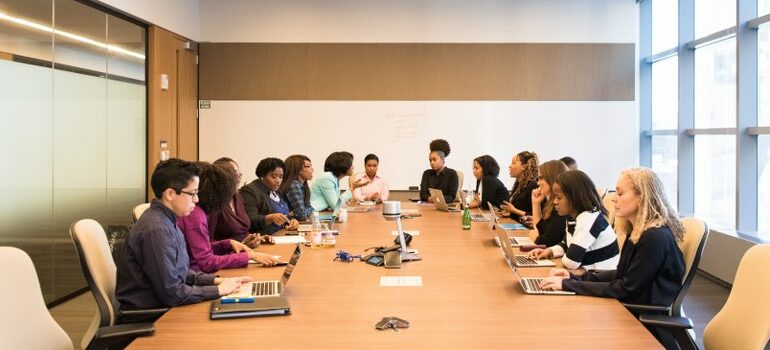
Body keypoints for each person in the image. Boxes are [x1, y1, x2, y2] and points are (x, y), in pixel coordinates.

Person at [537, 167, 685, 308]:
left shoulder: (654, 237)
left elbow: (626, 288)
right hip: (628, 307)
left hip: (639, 319)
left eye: (620, 194)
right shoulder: (638, 231)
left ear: (642, 197)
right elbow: (621, 275)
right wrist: (572, 278)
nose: (614, 198)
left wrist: (568, 285)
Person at [116, 159, 252, 308]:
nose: (197, 199)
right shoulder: (157, 230)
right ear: (169, 194)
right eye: (192, 194)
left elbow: (182, 272)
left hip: (165, 305)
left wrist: (217, 280)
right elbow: (172, 293)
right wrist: (219, 290)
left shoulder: (169, 220)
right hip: (152, 315)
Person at [177, 162, 279, 273]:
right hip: (198, 276)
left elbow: (201, 247)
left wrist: (227, 244)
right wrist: (249, 256)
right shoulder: (195, 215)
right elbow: (206, 262)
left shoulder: (199, 212)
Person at [527, 170, 619, 270]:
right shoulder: (573, 218)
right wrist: (549, 251)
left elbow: (571, 262)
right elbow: (566, 244)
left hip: (600, 280)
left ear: (575, 198)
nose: (555, 202)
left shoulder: (588, 219)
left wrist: (567, 255)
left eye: (559, 197)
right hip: (588, 276)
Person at [241, 157, 299, 234]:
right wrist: (268, 218)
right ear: (262, 175)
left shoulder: (276, 190)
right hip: (263, 238)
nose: (278, 181)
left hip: (282, 234)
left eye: (281, 177)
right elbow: (249, 220)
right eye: (274, 177)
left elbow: (284, 214)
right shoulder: (250, 191)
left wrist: (292, 220)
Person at [528, 160, 570, 247]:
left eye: (541, 178)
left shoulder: (562, 205)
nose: (538, 183)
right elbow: (540, 230)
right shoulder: (551, 202)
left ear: (552, 178)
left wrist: (536, 238)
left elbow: (549, 242)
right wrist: (535, 204)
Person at [500, 151, 539, 222]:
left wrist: (513, 210)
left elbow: (535, 215)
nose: (510, 166)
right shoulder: (518, 184)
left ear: (523, 167)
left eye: (513, 163)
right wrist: (510, 212)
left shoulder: (532, 186)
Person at [279, 154, 315, 221]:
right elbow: (302, 215)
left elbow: (306, 208)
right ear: (299, 170)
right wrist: (310, 209)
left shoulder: (301, 185)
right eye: (308, 166)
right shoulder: (294, 185)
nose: (312, 169)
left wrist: (308, 209)